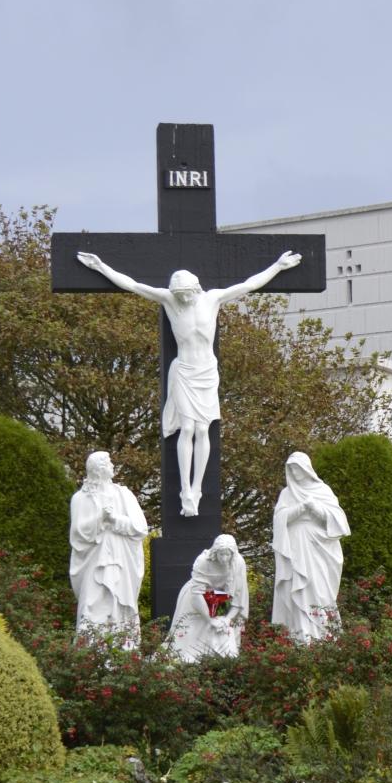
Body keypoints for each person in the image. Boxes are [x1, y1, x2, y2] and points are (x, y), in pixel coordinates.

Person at [73, 248, 302, 517]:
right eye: (179, 296)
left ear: (195, 289)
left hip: (206, 371)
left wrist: (277, 266)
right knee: (188, 428)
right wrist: (101, 267)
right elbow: (134, 285)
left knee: (203, 430)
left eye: (186, 295)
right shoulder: (169, 300)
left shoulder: (213, 299)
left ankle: (198, 489)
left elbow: (248, 284)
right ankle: (185, 491)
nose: (182, 300)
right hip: (183, 370)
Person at [68, 451, 149, 647]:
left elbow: (140, 528)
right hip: (95, 560)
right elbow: (78, 532)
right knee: (92, 602)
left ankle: (123, 647)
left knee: (120, 603)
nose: (113, 465)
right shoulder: (80, 498)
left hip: (121, 558)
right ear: (99, 469)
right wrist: (100, 518)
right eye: (109, 462)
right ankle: (91, 650)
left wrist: (114, 519)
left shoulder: (124, 495)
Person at [271, 451, 350, 642]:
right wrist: (299, 509)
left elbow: (339, 521)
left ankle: (323, 634)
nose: (295, 473)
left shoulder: (322, 491)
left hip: (319, 548)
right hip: (296, 546)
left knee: (319, 588)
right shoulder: (287, 494)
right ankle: (301, 635)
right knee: (297, 588)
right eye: (291, 469)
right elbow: (279, 519)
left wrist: (316, 509)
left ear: (307, 469)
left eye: (298, 468)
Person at [168, 534, 249, 663]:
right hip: (195, 597)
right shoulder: (203, 561)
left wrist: (227, 619)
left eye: (227, 555)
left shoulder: (237, 563)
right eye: (221, 554)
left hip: (220, 599)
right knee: (187, 645)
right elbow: (196, 595)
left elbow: (238, 597)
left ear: (232, 554)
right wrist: (209, 619)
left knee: (220, 631)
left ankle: (220, 664)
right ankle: (186, 666)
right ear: (215, 551)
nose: (224, 558)